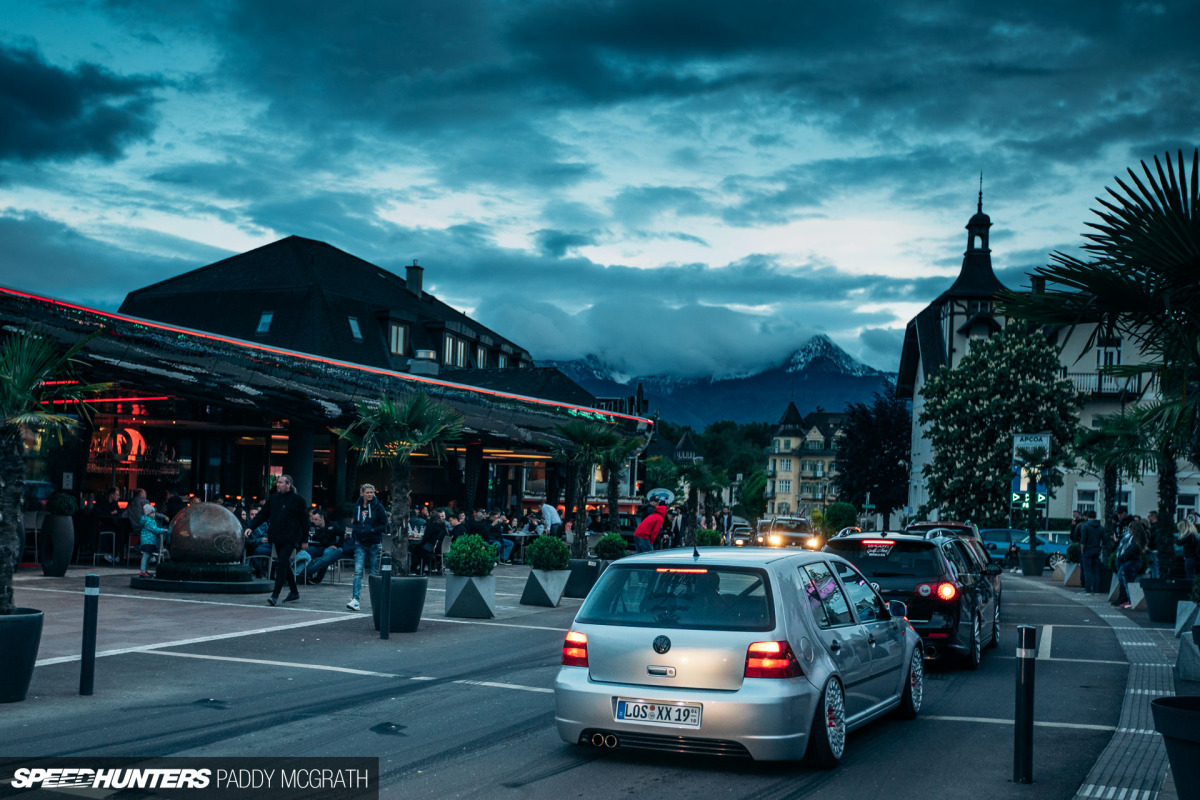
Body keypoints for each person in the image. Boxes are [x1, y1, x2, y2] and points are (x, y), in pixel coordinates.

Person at [248, 474, 309, 607]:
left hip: (291, 538)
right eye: (278, 482)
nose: (278, 485)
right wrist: (251, 527)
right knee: (284, 563)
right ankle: (294, 591)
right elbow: (263, 514)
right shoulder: (274, 498)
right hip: (276, 537)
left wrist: (304, 540)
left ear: (288, 485)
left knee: (281, 563)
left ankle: (275, 594)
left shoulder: (298, 500)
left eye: (281, 483)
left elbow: (305, 521)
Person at [346, 484, 388, 611]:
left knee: (374, 572)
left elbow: (385, 524)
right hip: (360, 542)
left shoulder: (378, 507)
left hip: (374, 542)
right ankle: (355, 599)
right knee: (358, 571)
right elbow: (356, 522)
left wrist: (373, 530)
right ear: (362, 493)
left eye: (372, 492)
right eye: (368, 492)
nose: (370, 494)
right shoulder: (357, 506)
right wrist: (356, 532)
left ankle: (376, 600)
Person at [127, 489, 168, 578]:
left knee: (148, 555)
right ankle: (143, 571)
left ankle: (144, 570)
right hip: (148, 540)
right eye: (152, 512)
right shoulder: (148, 515)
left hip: (139, 531)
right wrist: (164, 530)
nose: (154, 514)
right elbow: (155, 529)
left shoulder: (131, 502)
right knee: (146, 555)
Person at [303, 508, 349, 583]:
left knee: (327, 553)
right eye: (313, 519)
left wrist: (337, 545)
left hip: (329, 547)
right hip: (317, 546)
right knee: (307, 552)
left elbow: (343, 534)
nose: (314, 521)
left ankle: (318, 578)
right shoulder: (311, 525)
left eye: (316, 519)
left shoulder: (332, 525)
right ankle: (307, 575)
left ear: (322, 518)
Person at [1114, 519, 1146, 608]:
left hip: (1131, 562)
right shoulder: (1132, 537)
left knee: (1127, 581)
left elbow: (1133, 549)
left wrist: (1123, 556)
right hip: (1129, 561)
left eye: (1130, 528)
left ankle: (1129, 600)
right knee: (1123, 580)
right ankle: (1123, 598)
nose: (1129, 530)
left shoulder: (1134, 538)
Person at [1078, 510, 1105, 593]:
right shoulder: (1100, 527)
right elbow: (1103, 540)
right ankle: (1096, 589)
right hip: (1096, 550)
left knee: (1087, 570)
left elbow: (1083, 540)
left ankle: (1088, 589)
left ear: (1088, 517)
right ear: (1095, 517)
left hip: (1087, 550)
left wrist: (1082, 550)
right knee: (1096, 570)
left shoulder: (1085, 526)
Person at [1178, 513, 1199, 581]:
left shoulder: (1189, 536)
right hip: (1194, 558)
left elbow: (1179, 542)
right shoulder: (1194, 535)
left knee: (1190, 577)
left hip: (1190, 558)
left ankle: (1191, 590)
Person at [1145, 510, 1161, 579]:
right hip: (1155, 549)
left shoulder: (1154, 528)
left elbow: (1152, 539)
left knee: (1154, 569)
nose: (1148, 518)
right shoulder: (1158, 527)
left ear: (1153, 516)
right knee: (1154, 569)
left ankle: (1156, 583)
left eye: (1149, 516)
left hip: (1153, 550)